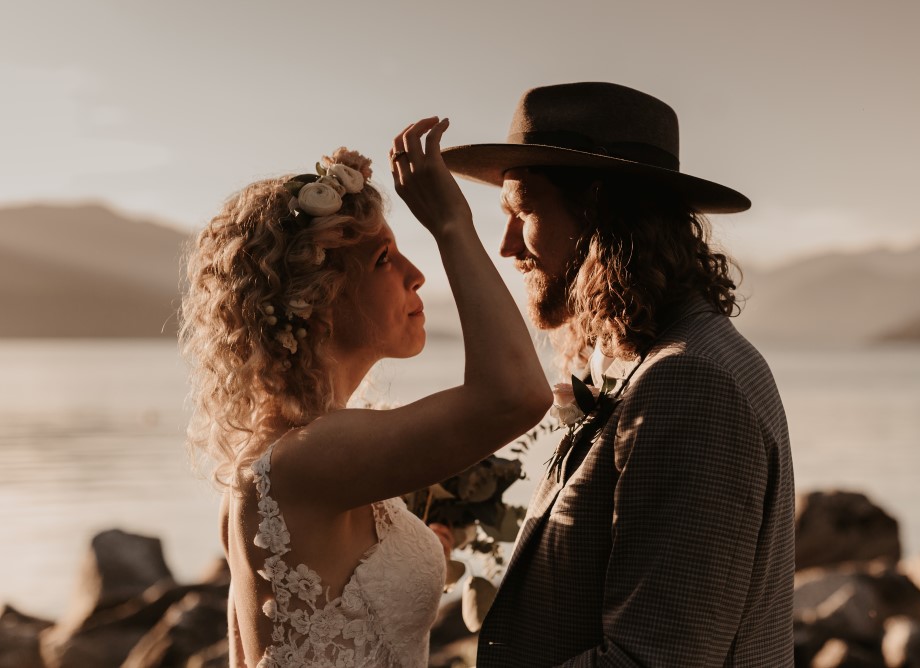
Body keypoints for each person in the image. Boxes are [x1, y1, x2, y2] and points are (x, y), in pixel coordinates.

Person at [442, 82, 796, 666]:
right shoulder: (652, 363)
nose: (507, 246)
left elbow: (652, 661)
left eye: (523, 211)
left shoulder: (691, 385)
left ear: (598, 212)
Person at [179, 117, 551, 667]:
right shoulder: (308, 457)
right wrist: (451, 222)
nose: (416, 274)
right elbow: (515, 393)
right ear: (320, 299)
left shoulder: (290, 460)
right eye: (384, 260)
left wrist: (420, 550)